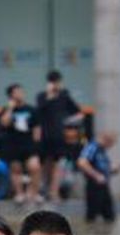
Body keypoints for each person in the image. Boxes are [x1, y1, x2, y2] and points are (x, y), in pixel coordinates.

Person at [34, 70, 83, 201]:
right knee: (45, 163)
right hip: (45, 135)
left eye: (57, 82)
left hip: (59, 135)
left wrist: (68, 122)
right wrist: (50, 95)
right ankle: (44, 188)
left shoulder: (64, 96)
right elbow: (38, 112)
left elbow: (78, 112)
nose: (55, 85)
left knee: (58, 163)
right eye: (53, 82)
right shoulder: (42, 96)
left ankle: (54, 191)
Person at [0, 84, 41, 204]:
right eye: (16, 92)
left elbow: (37, 128)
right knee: (16, 169)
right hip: (13, 143)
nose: (19, 94)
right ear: (11, 95)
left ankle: (33, 193)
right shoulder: (6, 109)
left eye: (21, 91)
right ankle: (19, 193)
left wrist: (37, 144)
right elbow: (4, 123)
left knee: (34, 167)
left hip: (29, 143)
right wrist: (10, 108)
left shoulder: (31, 109)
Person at [76, 132, 119, 223]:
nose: (110, 147)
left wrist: (113, 169)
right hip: (94, 186)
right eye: (111, 143)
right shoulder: (92, 147)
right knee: (92, 216)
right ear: (106, 140)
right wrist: (96, 175)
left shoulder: (101, 151)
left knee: (109, 216)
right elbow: (81, 162)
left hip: (104, 186)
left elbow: (102, 166)